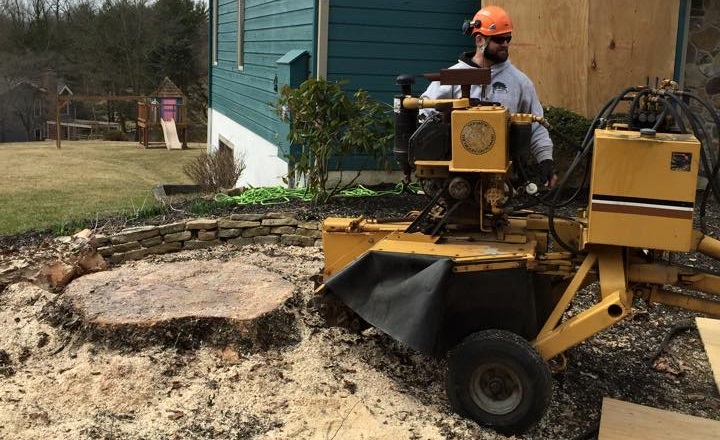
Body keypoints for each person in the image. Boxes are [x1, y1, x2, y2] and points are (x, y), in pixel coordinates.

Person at [421, 5, 557, 187]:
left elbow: (536, 124)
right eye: (499, 39)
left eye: (508, 38)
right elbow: (423, 115)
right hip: (454, 176)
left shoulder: (520, 82)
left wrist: (546, 160)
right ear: (479, 40)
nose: (506, 44)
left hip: (501, 178)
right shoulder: (451, 77)